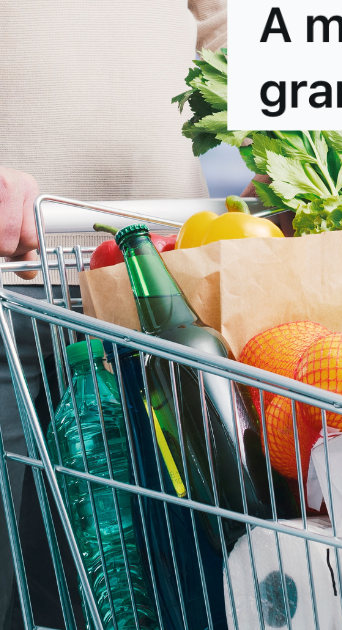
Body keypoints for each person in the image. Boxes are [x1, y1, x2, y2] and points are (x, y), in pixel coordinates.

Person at [0, 1, 227, 625]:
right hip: (12, 277)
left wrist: (298, 143)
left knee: (181, 577)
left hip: (168, 275)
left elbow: (226, 23)